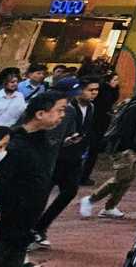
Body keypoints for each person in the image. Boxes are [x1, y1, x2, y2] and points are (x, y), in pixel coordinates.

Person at [0, 90, 66, 267]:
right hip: (5, 224)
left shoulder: (43, 141)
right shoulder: (14, 143)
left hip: (25, 223)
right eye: (59, 110)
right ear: (40, 114)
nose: (63, 115)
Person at [34, 78, 97, 244]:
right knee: (41, 192)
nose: (93, 94)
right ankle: (33, 228)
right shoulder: (65, 108)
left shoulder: (90, 107)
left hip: (73, 156)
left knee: (69, 191)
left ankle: (41, 226)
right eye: (90, 90)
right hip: (55, 158)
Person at [83, 81, 136, 218]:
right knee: (121, 177)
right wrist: (129, 147)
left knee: (128, 178)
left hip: (131, 148)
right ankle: (92, 199)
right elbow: (127, 129)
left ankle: (110, 206)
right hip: (124, 148)